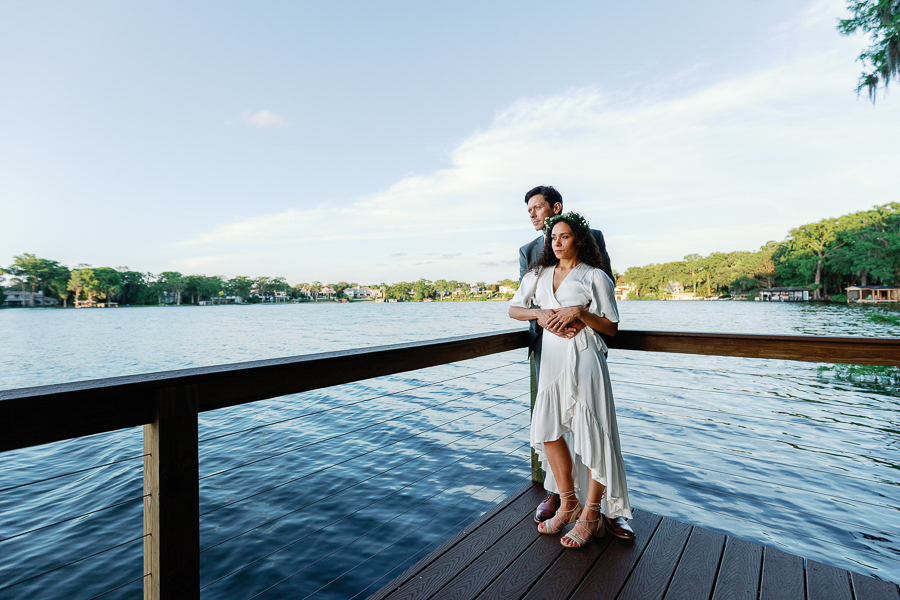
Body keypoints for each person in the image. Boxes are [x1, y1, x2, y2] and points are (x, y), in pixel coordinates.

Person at [510, 212, 633, 547]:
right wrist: (539, 312)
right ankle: (568, 502)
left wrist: (581, 313)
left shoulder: (595, 276)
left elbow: (611, 326)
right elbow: (515, 309)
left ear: (578, 239)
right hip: (551, 357)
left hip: (585, 358)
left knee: (593, 432)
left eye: (564, 237)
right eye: (553, 238)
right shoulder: (539, 274)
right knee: (548, 430)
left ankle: (591, 514)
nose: (557, 243)